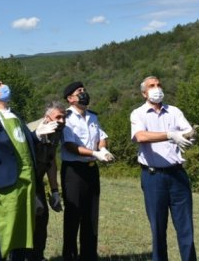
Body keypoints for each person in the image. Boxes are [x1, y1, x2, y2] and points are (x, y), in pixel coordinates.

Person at [0, 77, 56, 261]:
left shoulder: (13, 114)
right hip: (5, 176)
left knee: (24, 225)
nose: (4, 86)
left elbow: (23, 140)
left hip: (27, 174)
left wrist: (38, 133)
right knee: (8, 224)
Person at [130, 76, 197, 261]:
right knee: (158, 229)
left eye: (159, 85)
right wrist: (169, 134)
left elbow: (187, 131)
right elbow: (140, 136)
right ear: (144, 93)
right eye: (152, 86)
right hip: (153, 177)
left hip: (177, 174)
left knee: (186, 228)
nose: (156, 88)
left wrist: (190, 138)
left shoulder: (174, 111)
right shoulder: (138, 114)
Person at [60, 81, 114, 261]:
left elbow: (101, 136)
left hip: (92, 169)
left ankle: (89, 255)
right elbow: (69, 145)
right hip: (74, 171)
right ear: (70, 98)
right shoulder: (66, 118)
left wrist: (103, 149)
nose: (83, 93)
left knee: (91, 214)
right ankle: (69, 255)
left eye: (84, 90)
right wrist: (95, 153)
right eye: (79, 91)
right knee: (73, 215)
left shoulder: (92, 116)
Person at [26, 102, 67, 261]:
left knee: (42, 219)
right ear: (46, 117)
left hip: (38, 180)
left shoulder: (55, 131)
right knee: (27, 221)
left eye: (64, 117)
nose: (62, 121)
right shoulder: (31, 131)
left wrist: (55, 191)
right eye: (58, 117)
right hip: (24, 181)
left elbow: (50, 161)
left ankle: (37, 256)